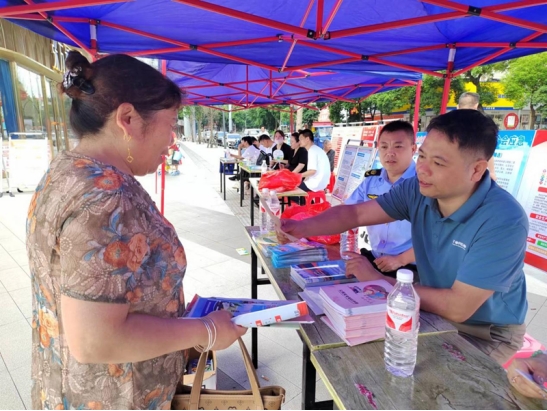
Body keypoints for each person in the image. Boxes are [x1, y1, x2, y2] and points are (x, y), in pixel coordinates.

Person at [27, 51, 246, 410]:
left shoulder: (66, 170)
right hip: (115, 397)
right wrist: (206, 330)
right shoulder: (108, 195)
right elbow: (96, 340)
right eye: (171, 124)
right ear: (127, 119)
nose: (172, 140)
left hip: (67, 388)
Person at [280, 110, 528, 365]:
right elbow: (356, 213)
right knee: (359, 358)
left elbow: (458, 306)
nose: (422, 169)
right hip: (428, 307)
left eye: (438, 163)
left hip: (484, 331)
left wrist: (379, 281)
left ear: (476, 170)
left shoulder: (503, 219)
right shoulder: (417, 190)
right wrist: (299, 227)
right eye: (423, 156)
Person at [344, 120, 417, 278]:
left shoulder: (424, 183)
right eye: (384, 147)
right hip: (375, 259)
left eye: (398, 146)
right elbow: (346, 213)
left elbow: (438, 237)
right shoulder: (371, 181)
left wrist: (401, 259)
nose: (390, 153)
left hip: (410, 268)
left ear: (413, 149)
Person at [458, 92, 497, 181]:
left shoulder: (447, 123)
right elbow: (487, 150)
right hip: (474, 172)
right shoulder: (482, 124)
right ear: (476, 106)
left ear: (458, 106)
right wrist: (492, 172)